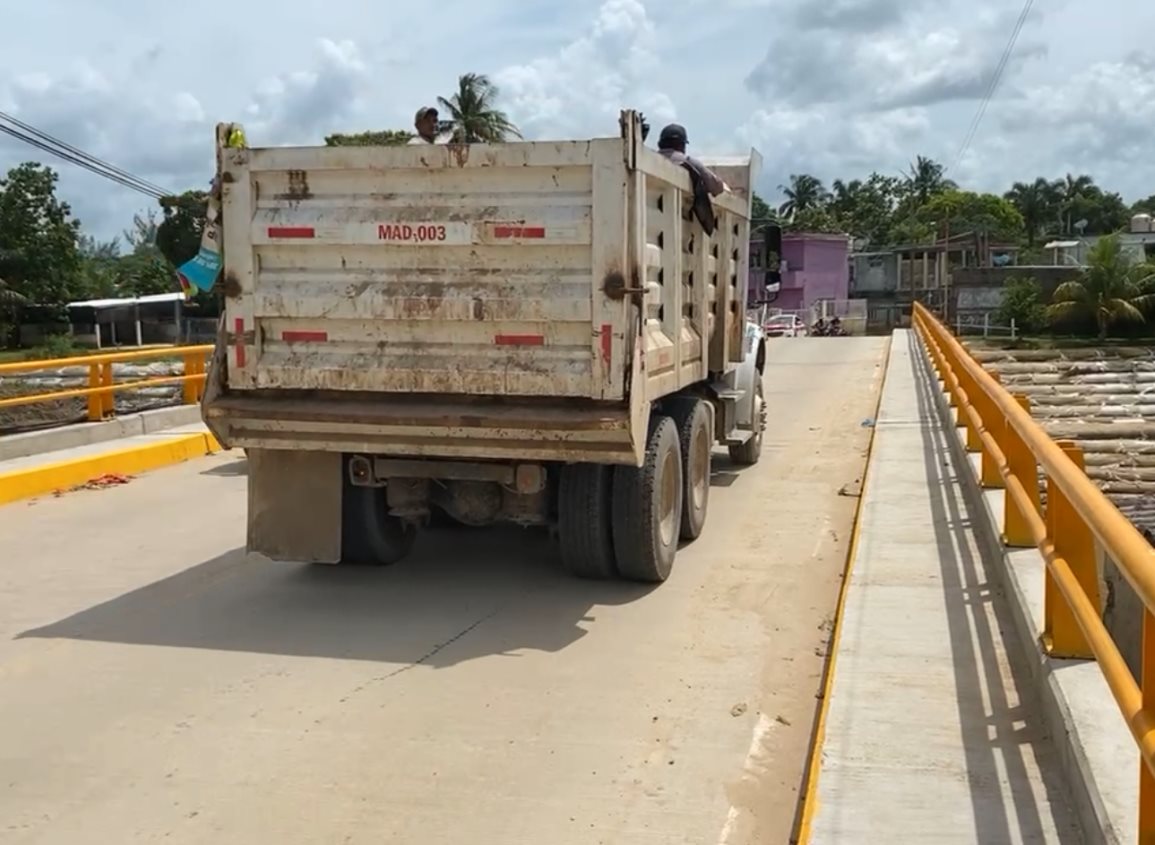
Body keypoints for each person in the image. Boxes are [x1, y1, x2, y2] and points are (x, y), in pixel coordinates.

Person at [656, 124, 728, 196]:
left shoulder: (652, 160)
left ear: (660, 143)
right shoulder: (688, 161)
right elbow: (715, 186)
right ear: (682, 145)